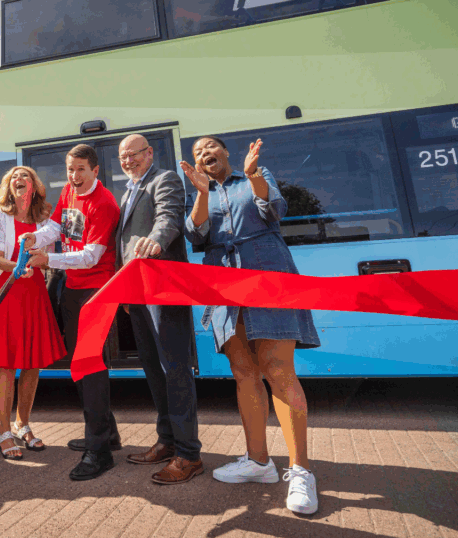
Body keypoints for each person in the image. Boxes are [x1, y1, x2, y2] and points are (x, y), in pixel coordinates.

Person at [181, 136, 321, 514]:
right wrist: (201, 194)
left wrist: (254, 172)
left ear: (226, 152)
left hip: (268, 276)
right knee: (244, 372)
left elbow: (274, 206)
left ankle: (301, 471)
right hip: (223, 284)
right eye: (197, 152)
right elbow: (195, 234)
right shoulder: (201, 192)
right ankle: (259, 463)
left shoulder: (254, 176)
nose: (204, 153)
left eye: (211, 147)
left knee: (278, 370)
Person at [25, 144, 121, 481]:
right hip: (73, 289)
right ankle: (106, 432)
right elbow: (56, 229)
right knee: (78, 367)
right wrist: (35, 237)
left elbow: (92, 256)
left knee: (90, 366)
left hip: (97, 291)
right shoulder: (69, 191)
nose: (73, 176)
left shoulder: (105, 203)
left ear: (95, 170)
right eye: (69, 169)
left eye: (80, 169)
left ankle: (100, 453)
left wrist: (47, 259)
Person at [114, 134, 204, 484]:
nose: (128, 161)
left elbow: (168, 218)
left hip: (163, 288)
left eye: (133, 155)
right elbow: (123, 243)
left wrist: (157, 239)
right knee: (153, 370)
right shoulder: (128, 191)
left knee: (175, 370)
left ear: (149, 153)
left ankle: (189, 454)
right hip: (136, 290)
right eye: (123, 157)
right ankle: (166, 441)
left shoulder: (163, 179)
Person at [0, 167, 66, 460]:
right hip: (10, 291)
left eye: (25, 176)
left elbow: (49, 250)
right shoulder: (0, 217)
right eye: (14, 177)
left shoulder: (45, 221)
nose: (19, 179)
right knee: (7, 365)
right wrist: (16, 268)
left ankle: (22, 423)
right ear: (9, 187)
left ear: (34, 186)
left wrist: (35, 253)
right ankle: (4, 430)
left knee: (32, 364)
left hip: (35, 292)